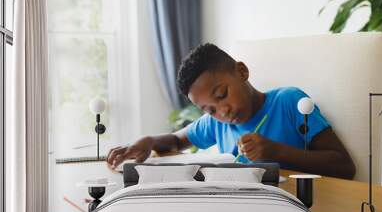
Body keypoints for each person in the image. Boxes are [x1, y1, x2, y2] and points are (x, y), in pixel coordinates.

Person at [107, 43, 356, 179]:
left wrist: (276, 151)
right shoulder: (218, 123)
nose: (222, 112)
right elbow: (177, 141)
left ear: (241, 72)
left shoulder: (289, 102)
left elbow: (344, 166)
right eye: (209, 109)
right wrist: (150, 141)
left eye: (222, 95)